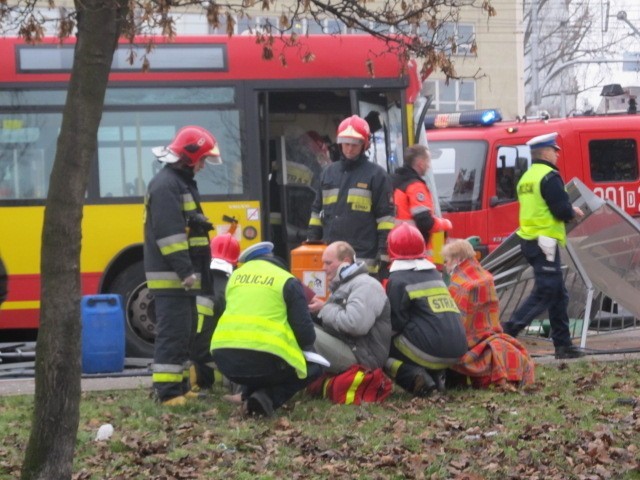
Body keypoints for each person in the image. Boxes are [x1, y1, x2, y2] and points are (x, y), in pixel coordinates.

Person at [144, 125, 221, 406]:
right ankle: (167, 394)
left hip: (183, 278)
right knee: (172, 334)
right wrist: (185, 271)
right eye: (201, 160)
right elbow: (170, 235)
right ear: (190, 157)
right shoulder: (167, 185)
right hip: (173, 278)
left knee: (184, 336)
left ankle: (180, 386)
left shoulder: (178, 182)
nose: (202, 166)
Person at [210, 241, 322, 417]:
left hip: (224, 361)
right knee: (314, 365)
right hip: (265, 362)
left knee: (258, 357)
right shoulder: (286, 280)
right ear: (274, 260)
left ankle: (248, 395)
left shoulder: (234, 278)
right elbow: (306, 336)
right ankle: (266, 398)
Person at [501, 132, 585, 359]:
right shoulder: (550, 177)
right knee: (546, 291)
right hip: (545, 242)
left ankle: (563, 345)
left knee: (559, 294)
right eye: (555, 150)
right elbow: (560, 209)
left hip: (530, 241)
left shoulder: (527, 178)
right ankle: (507, 332)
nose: (558, 154)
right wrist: (573, 212)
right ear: (546, 152)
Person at [383, 224, 468, 396]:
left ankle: (416, 378)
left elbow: (395, 324)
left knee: (380, 350)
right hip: (458, 350)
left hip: (430, 351)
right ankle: (438, 376)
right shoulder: (435, 275)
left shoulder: (398, 279)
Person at [307, 115, 395, 277]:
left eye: (355, 144)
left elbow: (385, 219)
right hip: (332, 255)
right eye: (346, 144)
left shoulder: (377, 175)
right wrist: (311, 242)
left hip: (363, 257)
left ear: (365, 145)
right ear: (340, 144)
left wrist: (383, 253)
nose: (350, 149)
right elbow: (316, 211)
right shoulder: (328, 173)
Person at [442, 239, 535, 389]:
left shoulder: (459, 284)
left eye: (447, 261)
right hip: (491, 335)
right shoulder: (486, 277)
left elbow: (453, 323)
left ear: (458, 259)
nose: (445, 265)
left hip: (467, 344)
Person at [308, 241, 391, 374]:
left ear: (345, 261)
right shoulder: (344, 284)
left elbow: (355, 325)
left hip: (362, 359)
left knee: (302, 330)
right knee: (300, 323)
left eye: (328, 263)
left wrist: (324, 308)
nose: (323, 268)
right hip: (351, 348)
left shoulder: (366, 285)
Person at [189, 233, 240, 394]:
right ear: (235, 263)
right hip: (211, 366)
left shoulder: (195, 280)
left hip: (184, 359)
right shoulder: (231, 288)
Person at [392, 144, 452, 257]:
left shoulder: (394, 181)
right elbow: (425, 222)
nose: (429, 166)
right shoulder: (415, 186)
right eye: (428, 161)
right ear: (420, 163)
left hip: (396, 243)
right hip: (413, 244)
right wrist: (446, 224)